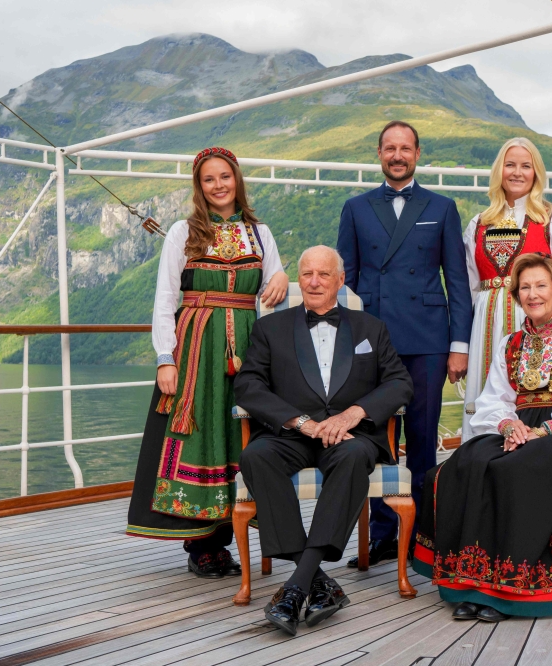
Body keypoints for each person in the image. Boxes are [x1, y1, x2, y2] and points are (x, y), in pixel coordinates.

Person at [413, 254, 552, 621]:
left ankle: (509, 590)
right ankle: (472, 583)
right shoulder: (510, 343)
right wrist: (509, 426)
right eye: (525, 287)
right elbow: (494, 400)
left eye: (541, 286)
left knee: (515, 470)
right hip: (517, 429)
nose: (533, 294)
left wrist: (541, 430)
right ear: (517, 295)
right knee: (465, 465)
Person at [126, 146, 289, 578]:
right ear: (199, 186)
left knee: (241, 434)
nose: (218, 185)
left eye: (225, 177)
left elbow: (275, 289)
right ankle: (203, 545)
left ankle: (240, 530)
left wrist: (282, 275)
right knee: (200, 434)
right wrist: (165, 358)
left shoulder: (260, 233)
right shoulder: (184, 231)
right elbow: (165, 300)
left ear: (237, 179)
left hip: (249, 348)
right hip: (196, 346)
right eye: (208, 179)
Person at [234, 246, 413, 636]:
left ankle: (295, 587)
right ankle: (316, 582)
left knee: (352, 458)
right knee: (256, 455)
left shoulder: (371, 328)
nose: (314, 282)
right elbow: (247, 385)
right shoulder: (270, 328)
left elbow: (400, 382)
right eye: (307, 274)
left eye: (323, 274)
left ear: (340, 280)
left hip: (351, 435)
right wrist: (300, 422)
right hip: (292, 433)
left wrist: (354, 413)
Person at [337, 120, 473, 567]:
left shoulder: (442, 206)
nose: (397, 156)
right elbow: (346, 281)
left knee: (421, 436)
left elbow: (456, 280)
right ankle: (380, 532)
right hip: (370, 338)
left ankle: (423, 536)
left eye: (405, 148)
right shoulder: (355, 208)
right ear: (379, 154)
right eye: (389, 148)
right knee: (373, 436)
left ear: (418, 153)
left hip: (428, 338)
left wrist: (459, 345)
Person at [461, 137, 552, 441]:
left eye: (526, 166)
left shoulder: (551, 218)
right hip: (486, 322)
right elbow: (467, 286)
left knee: (531, 390)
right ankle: (481, 458)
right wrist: (463, 345)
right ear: (499, 171)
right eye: (510, 164)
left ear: (536, 173)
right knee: (486, 393)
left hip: (535, 317)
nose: (517, 172)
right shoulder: (478, 223)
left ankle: (530, 447)